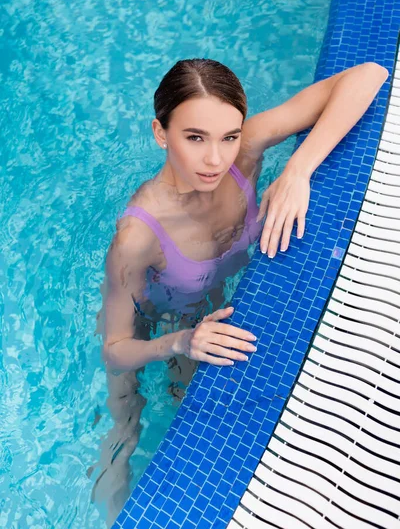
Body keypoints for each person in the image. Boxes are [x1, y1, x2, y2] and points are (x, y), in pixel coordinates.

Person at [92, 58, 388, 525]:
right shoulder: (137, 235)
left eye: (228, 136)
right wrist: (179, 342)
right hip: (155, 317)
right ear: (159, 133)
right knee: (125, 433)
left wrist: (297, 170)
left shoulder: (246, 150)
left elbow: (370, 74)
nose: (216, 159)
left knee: (209, 410)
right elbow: (113, 348)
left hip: (208, 305)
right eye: (195, 138)